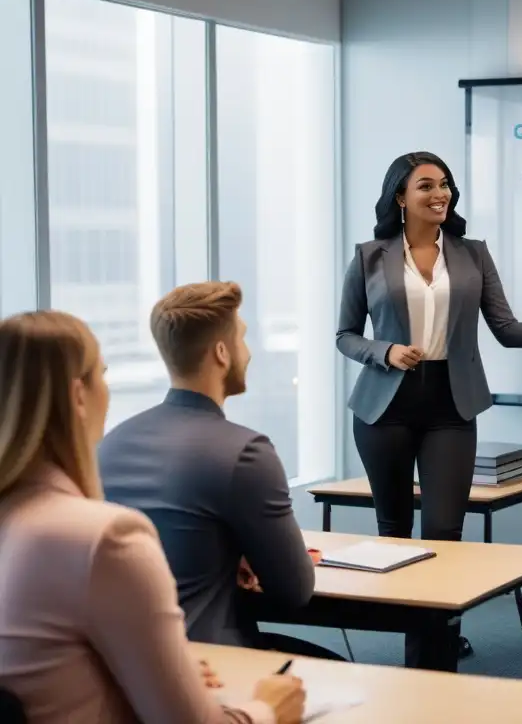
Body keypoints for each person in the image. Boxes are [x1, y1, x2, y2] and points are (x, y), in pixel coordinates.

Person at [336, 151, 522, 664]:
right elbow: (345, 335)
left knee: (445, 531)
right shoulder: (369, 256)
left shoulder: (471, 255)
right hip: (383, 408)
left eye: (446, 186)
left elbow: (505, 329)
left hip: (451, 407)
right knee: (394, 531)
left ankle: (433, 644)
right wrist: (385, 351)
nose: (440, 194)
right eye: (426, 186)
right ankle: (416, 637)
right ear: (400, 196)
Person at [0, 310, 306, 724]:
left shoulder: (20, 520)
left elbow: (48, 665)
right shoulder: (104, 537)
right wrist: (267, 709)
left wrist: (154, 671)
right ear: (78, 396)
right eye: (102, 374)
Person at [99, 282, 327, 657]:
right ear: (222, 353)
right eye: (242, 339)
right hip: (210, 665)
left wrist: (224, 552)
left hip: (124, 664)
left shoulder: (111, 443)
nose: (248, 353)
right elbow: (294, 592)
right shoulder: (245, 452)